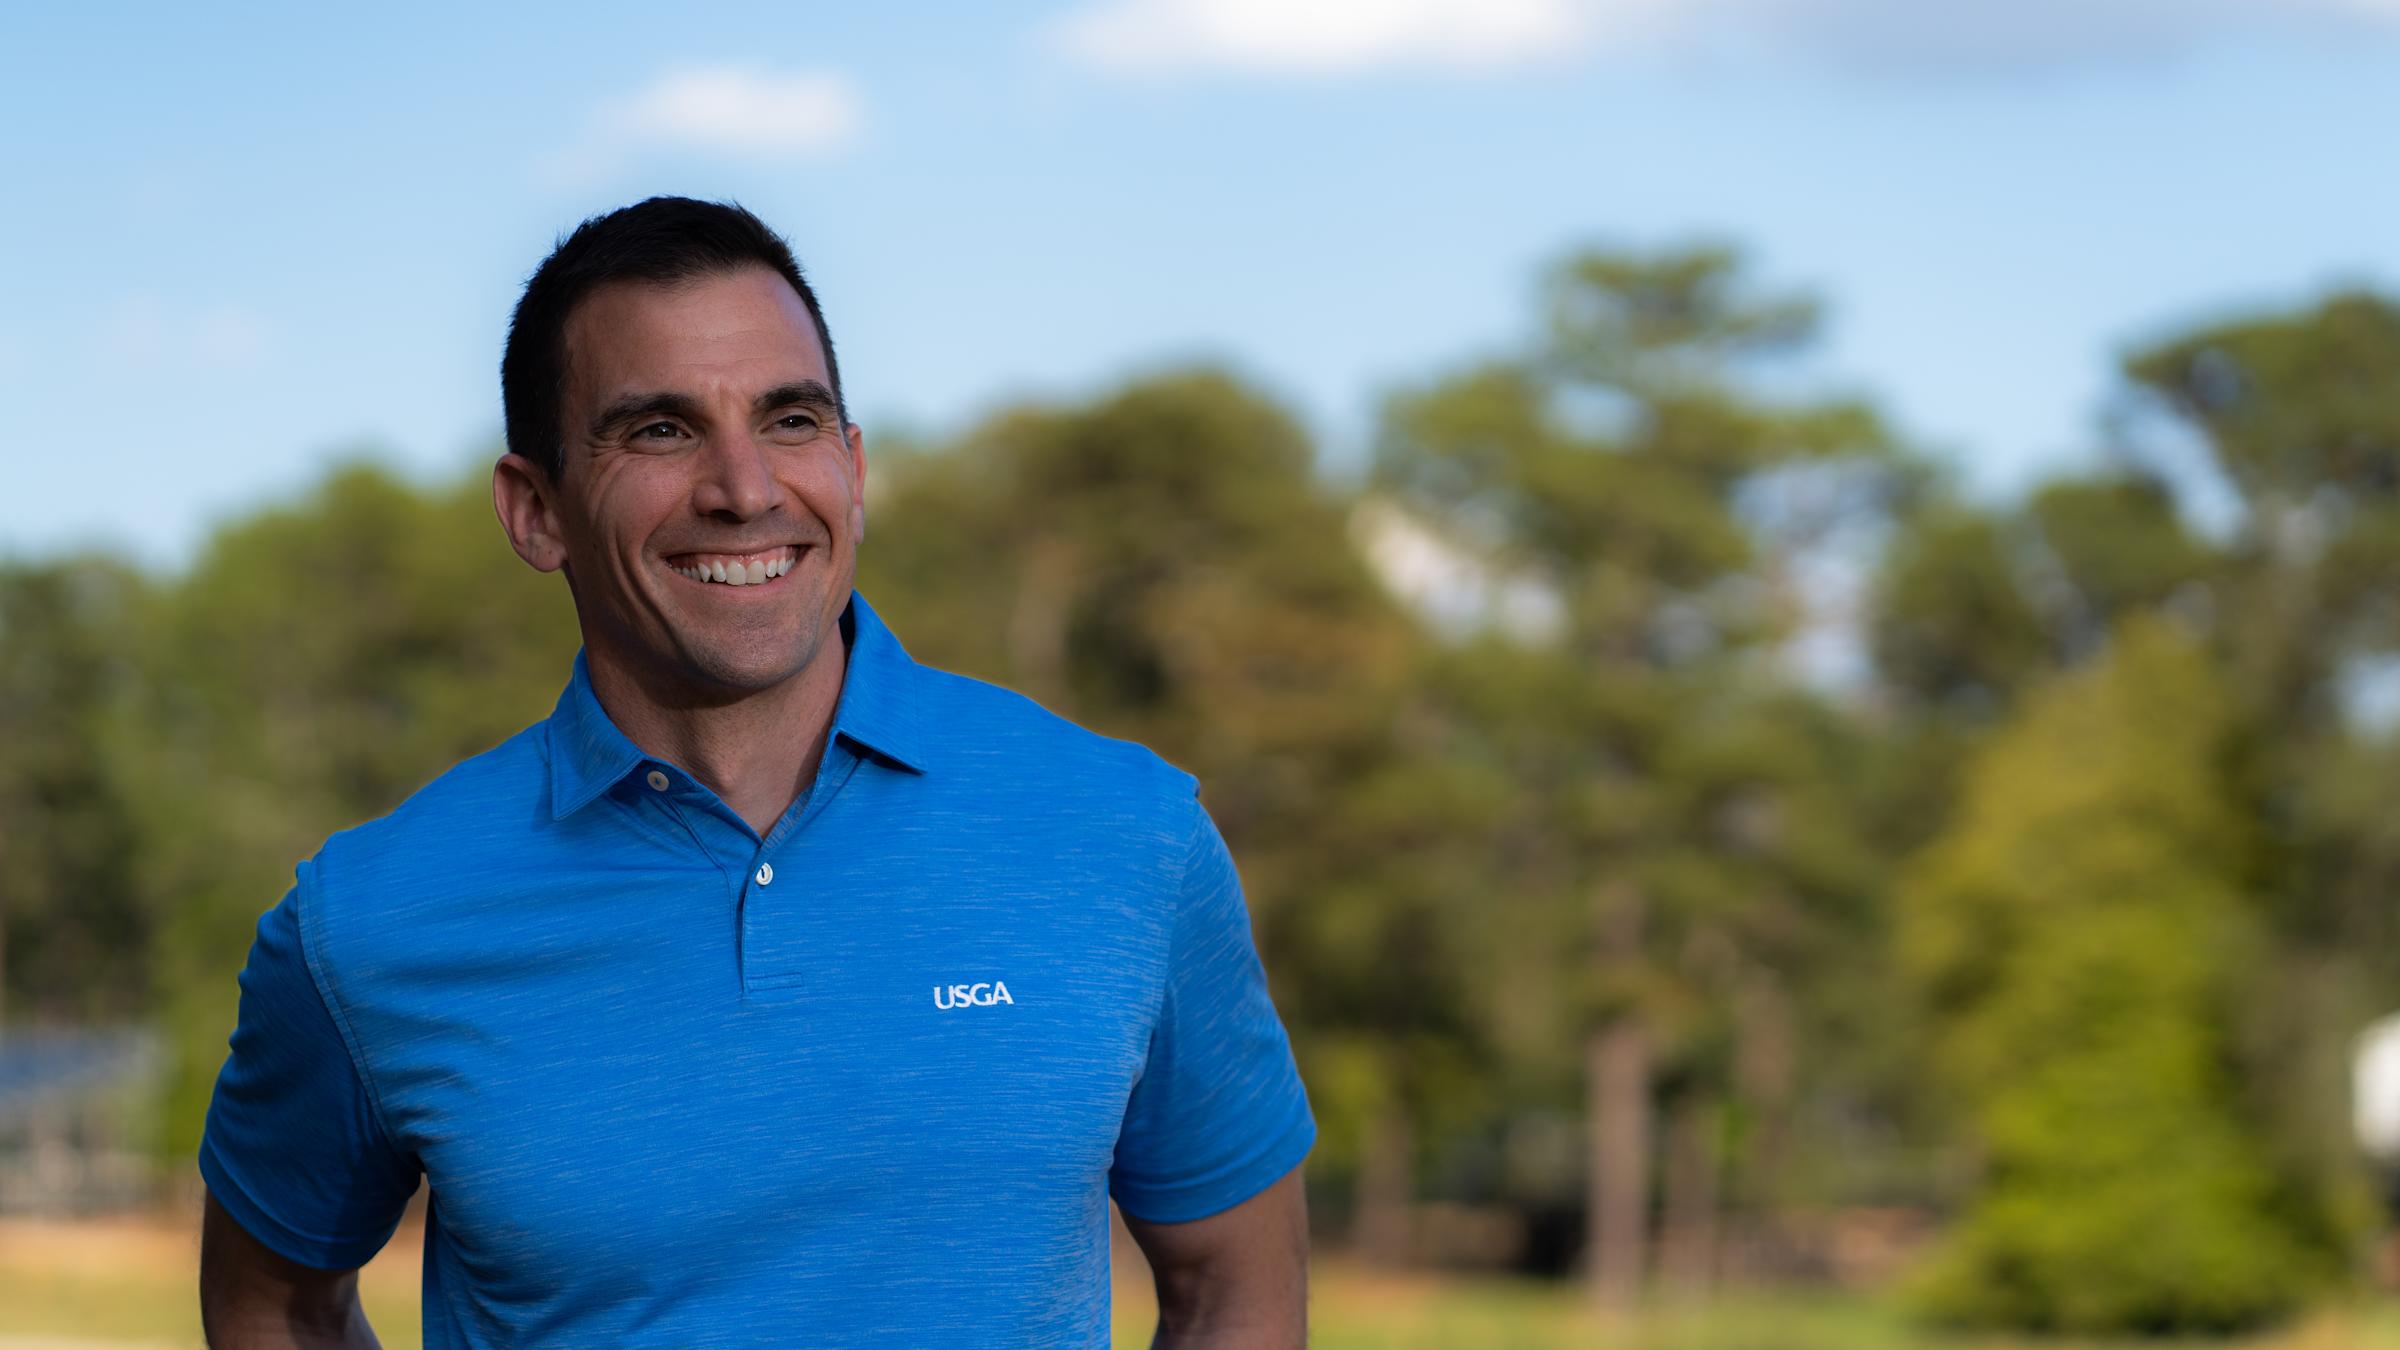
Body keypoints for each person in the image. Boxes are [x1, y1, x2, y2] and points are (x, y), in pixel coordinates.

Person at [195, 196, 1315, 1347]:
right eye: (659, 430)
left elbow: (1237, 1285)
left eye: (789, 419)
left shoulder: (1130, 837)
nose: (745, 488)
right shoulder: (364, 926)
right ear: (536, 512)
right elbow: (272, 1303)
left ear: (853, 469)